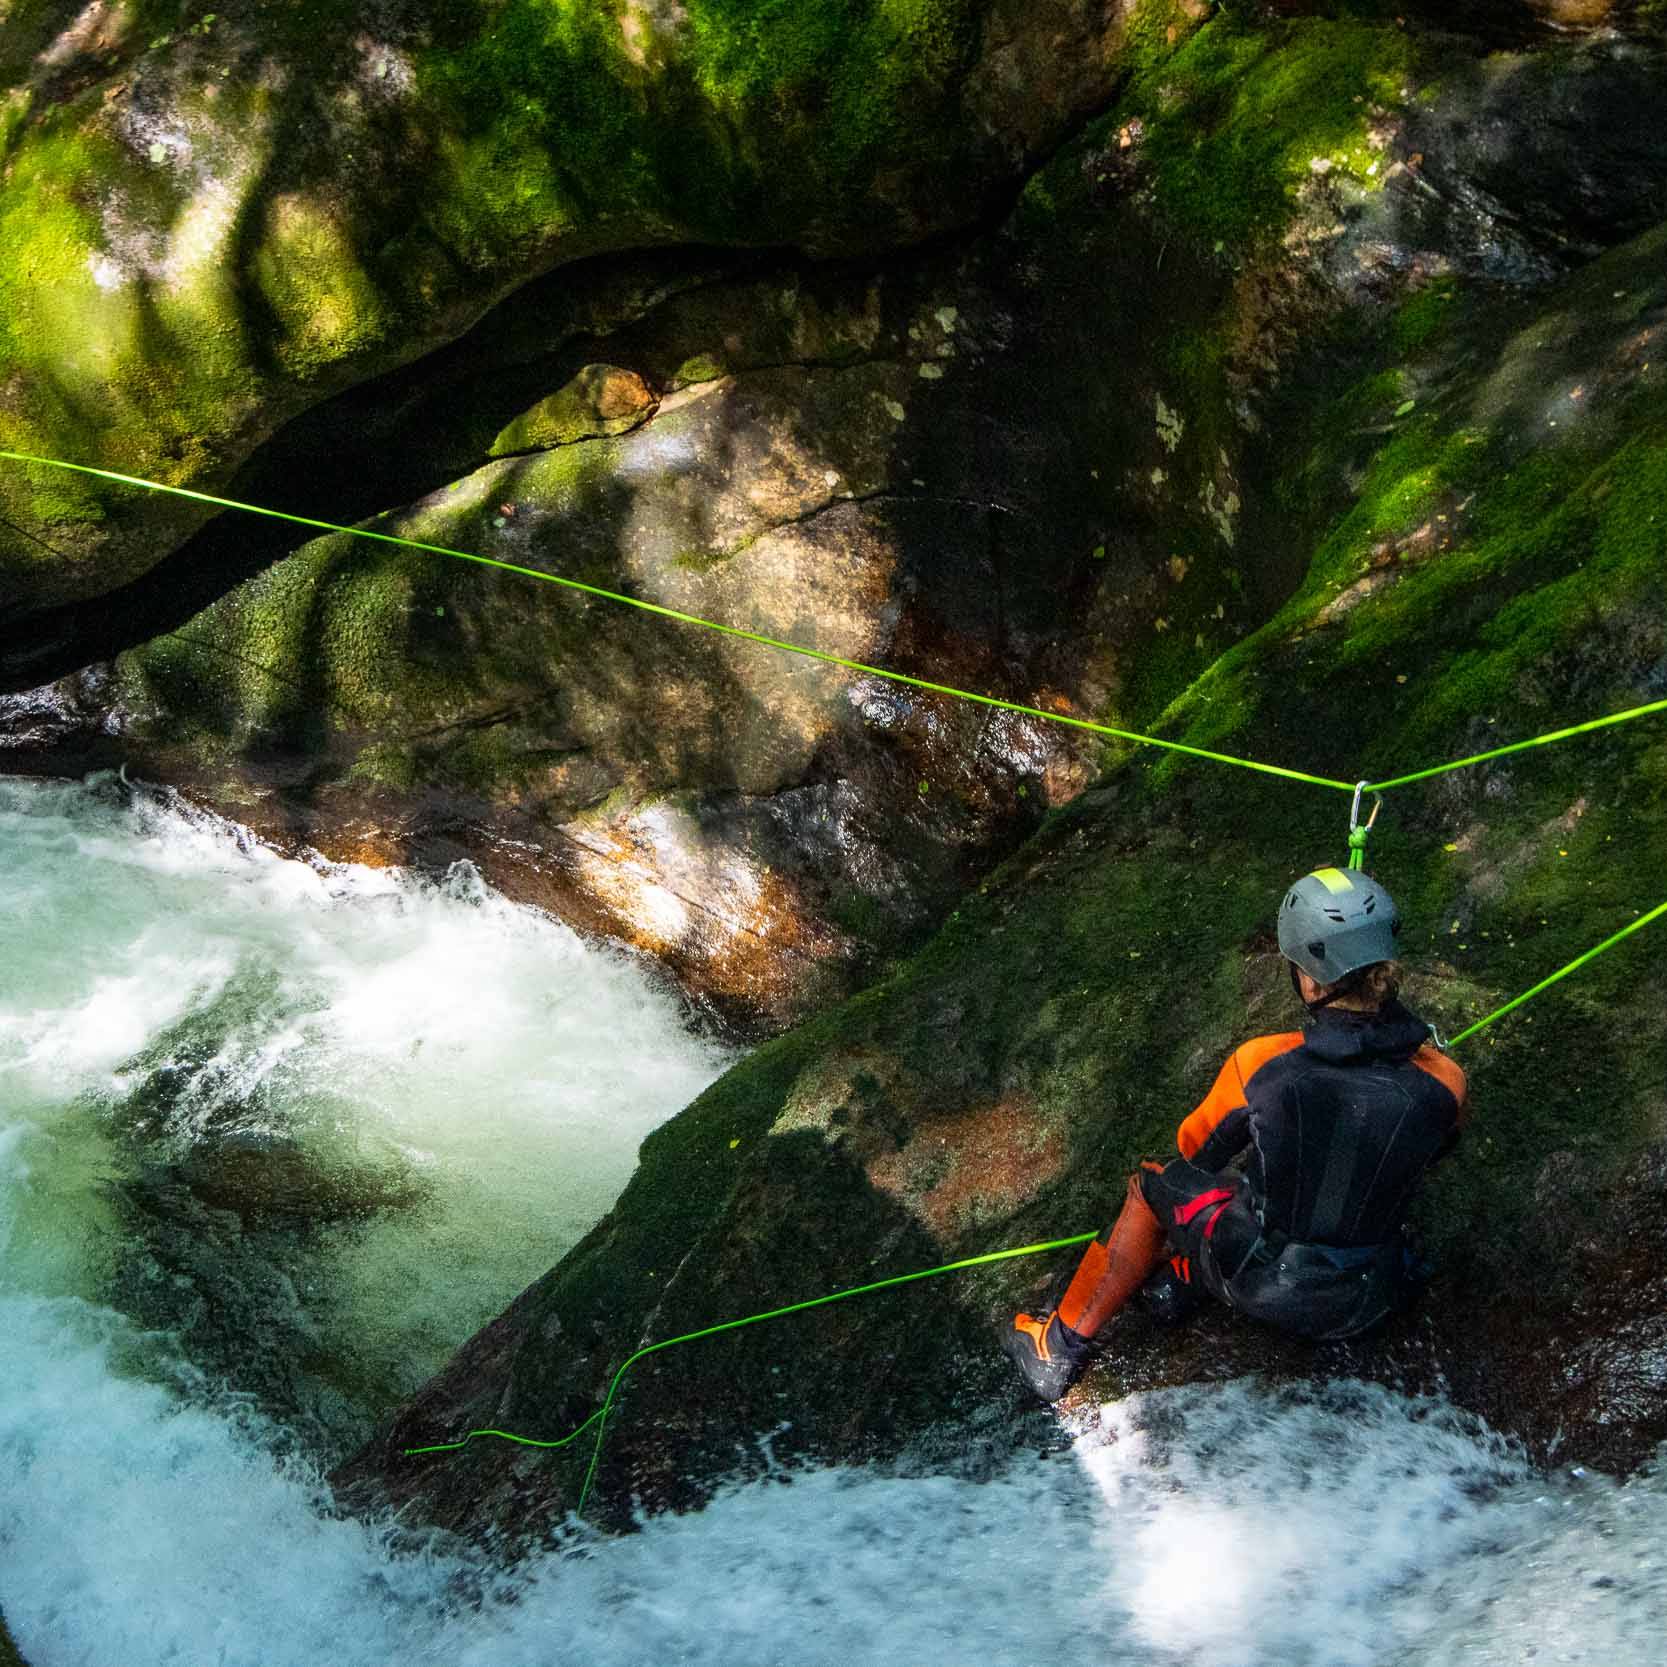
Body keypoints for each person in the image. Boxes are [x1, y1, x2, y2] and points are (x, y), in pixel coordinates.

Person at [1005, 865, 1468, 1402]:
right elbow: (1435, 1150)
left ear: (1312, 980)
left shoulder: (1262, 1065)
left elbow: (1193, 1155)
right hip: (1372, 1297)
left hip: (1265, 1282)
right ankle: (1180, 1281)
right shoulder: (1444, 1080)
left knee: (1155, 1184)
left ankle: (1057, 1348)